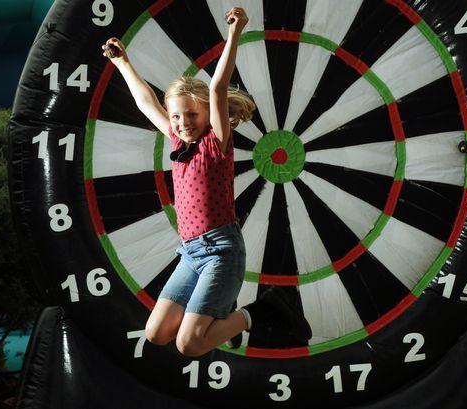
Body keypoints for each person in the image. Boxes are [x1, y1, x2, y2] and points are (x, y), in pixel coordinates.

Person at [102, 7, 311, 357]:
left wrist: (235, 33)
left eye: (192, 114)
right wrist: (123, 63)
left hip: (221, 251)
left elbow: (217, 88)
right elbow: (145, 103)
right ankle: (226, 312)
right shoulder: (177, 141)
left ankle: (258, 312)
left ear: (207, 116)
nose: (183, 122)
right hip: (190, 253)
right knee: (156, 333)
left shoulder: (216, 143)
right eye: (177, 116)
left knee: (190, 343)